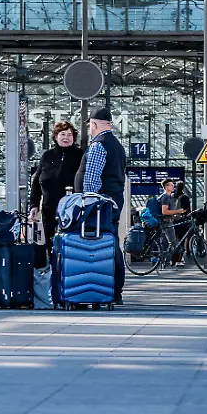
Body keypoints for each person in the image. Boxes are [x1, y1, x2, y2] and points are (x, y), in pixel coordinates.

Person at [74, 107, 128, 303]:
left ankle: (105, 288)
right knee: (111, 242)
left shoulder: (99, 145)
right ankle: (114, 289)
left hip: (99, 206)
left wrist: (88, 204)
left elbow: (91, 180)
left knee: (102, 244)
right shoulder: (117, 145)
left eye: (90, 125)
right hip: (112, 202)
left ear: (94, 124)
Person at [29, 121, 86, 261]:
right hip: (49, 209)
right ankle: (54, 269)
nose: (66, 137)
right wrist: (34, 205)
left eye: (69, 135)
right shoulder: (47, 156)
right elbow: (36, 183)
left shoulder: (81, 156)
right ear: (55, 136)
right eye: (63, 134)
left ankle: (69, 269)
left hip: (72, 210)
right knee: (50, 243)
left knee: (71, 243)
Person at [159, 179, 188, 266]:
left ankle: (166, 261)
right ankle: (166, 262)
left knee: (168, 243)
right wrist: (178, 211)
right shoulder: (166, 197)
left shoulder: (168, 196)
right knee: (173, 243)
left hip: (168, 221)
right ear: (166, 187)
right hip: (166, 222)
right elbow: (164, 211)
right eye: (171, 185)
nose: (173, 187)